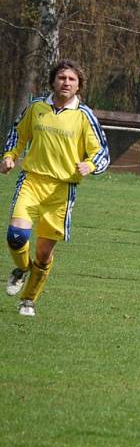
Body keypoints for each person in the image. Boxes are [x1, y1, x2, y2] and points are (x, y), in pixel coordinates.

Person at [2, 59, 110, 317]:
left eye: (72, 79)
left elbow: (101, 151)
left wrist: (90, 165)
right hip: (31, 180)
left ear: (79, 85)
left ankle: (28, 300)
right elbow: (18, 134)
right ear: (53, 81)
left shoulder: (84, 116)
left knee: (44, 252)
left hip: (62, 190)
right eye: (62, 78)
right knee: (16, 236)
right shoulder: (37, 107)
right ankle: (22, 268)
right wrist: (9, 155)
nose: (66, 83)